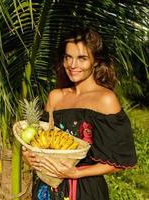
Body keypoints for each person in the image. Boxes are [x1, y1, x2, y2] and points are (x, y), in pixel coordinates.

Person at [22, 27, 137, 200]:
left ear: (96, 61)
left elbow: (120, 161)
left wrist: (75, 172)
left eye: (82, 58)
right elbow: (41, 143)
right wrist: (29, 156)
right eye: (68, 57)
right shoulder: (56, 96)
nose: (72, 65)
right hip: (46, 188)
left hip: (84, 190)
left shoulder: (105, 99)